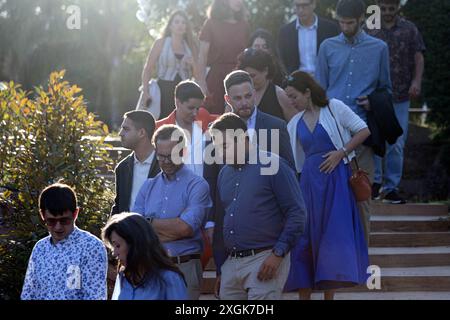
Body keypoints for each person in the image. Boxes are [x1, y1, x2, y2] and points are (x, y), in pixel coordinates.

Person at [284, 71, 370, 300]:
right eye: (288, 97)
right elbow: (294, 160)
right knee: (304, 239)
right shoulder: (294, 123)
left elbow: (363, 130)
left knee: (331, 238)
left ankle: (328, 298)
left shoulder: (334, 107)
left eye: (293, 96)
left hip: (337, 182)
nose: (291, 101)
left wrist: (341, 152)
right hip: (309, 184)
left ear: (307, 91)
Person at [315, 0, 392, 242]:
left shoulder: (378, 48)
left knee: (362, 198)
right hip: (332, 133)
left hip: (362, 134)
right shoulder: (327, 47)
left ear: (360, 19)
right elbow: (320, 90)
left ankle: (362, 259)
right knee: (330, 199)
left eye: (349, 22)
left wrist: (373, 101)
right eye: (341, 22)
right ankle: (335, 260)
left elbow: (386, 90)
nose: (345, 26)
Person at [209, 113, 306, 300]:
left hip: (265, 259)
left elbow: (297, 212)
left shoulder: (274, 165)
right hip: (232, 264)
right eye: (217, 147)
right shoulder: (224, 174)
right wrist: (222, 268)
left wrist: (278, 254)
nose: (220, 153)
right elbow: (222, 220)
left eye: (224, 146)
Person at [132, 125, 212, 300]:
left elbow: (185, 229)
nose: (166, 161)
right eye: (161, 156)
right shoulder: (148, 186)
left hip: (184, 267)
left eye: (171, 155)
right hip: (151, 267)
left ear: (182, 151)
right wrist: (172, 225)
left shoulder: (197, 186)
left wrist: (149, 224)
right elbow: (135, 230)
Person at [366, 0, 426, 203]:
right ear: (378, 7)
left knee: (397, 143)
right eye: (384, 9)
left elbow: (418, 57)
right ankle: (375, 183)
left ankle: (391, 187)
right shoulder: (370, 28)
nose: (387, 13)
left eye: (392, 9)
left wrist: (416, 81)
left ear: (398, 8)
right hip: (376, 95)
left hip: (401, 95)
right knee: (375, 140)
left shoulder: (409, 29)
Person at [156, 80, 220, 267]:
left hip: (206, 202)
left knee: (204, 255)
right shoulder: (159, 128)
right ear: (177, 102)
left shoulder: (209, 124)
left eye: (198, 108)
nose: (195, 113)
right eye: (191, 108)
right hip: (174, 205)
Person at [21, 183, 108, 300]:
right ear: (42, 215)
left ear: (75, 214)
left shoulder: (91, 247)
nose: (58, 227)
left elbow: (95, 296)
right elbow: (28, 292)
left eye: (64, 220)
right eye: (51, 221)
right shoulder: (40, 248)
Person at [102, 212, 187, 300]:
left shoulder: (170, 278)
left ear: (136, 244)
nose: (114, 253)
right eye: (113, 247)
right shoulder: (123, 277)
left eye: (118, 246)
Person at [224, 70, 295, 169]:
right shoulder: (217, 131)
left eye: (248, 96)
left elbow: (289, 170)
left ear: (254, 93)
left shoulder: (276, 126)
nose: (244, 103)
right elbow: (212, 177)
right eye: (238, 98)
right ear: (227, 99)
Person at [138, 10, 198, 119]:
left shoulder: (191, 46)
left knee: (182, 125)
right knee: (162, 123)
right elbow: (148, 69)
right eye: (176, 22)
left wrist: (193, 64)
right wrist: (146, 91)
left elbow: (198, 76)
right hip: (163, 90)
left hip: (185, 94)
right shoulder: (160, 43)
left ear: (186, 27)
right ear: (170, 26)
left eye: (183, 22)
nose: (180, 25)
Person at [198, 0, 250, 114]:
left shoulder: (244, 25)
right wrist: (201, 83)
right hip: (216, 78)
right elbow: (202, 56)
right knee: (215, 119)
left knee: (239, 118)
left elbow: (247, 54)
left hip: (239, 78)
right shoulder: (211, 24)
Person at [111, 110, 160, 215]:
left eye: (126, 129)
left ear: (141, 133)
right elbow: (118, 206)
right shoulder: (122, 168)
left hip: (158, 230)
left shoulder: (165, 166)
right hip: (127, 230)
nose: (120, 133)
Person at [278, 0, 339, 75]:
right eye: (297, 6)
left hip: (324, 81)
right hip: (296, 82)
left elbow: (337, 57)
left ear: (314, 4)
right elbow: (282, 60)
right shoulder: (285, 32)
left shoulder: (330, 29)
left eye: (304, 5)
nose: (300, 10)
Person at [236, 48, 295, 121]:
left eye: (253, 76)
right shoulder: (237, 94)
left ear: (265, 71)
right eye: (246, 76)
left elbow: (294, 126)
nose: (250, 81)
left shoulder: (280, 95)